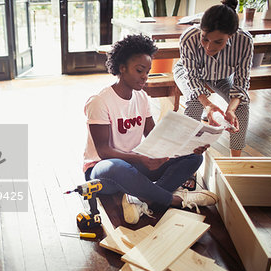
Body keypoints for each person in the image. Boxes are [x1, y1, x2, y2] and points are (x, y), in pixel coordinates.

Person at [83, 34, 218, 225]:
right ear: (122, 68)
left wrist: (187, 147)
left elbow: (154, 136)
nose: (145, 76)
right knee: (117, 166)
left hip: (136, 164)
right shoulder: (99, 101)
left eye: (147, 71)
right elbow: (104, 152)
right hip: (103, 171)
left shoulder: (142, 97)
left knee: (195, 158)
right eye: (140, 70)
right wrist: (140, 158)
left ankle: (140, 199)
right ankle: (174, 200)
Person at [174, 0, 253, 159]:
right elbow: (193, 78)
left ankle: (235, 161)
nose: (209, 47)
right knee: (194, 102)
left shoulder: (244, 41)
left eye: (218, 41)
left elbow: (241, 82)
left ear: (231, 36)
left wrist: (230, 109)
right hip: (189, 72)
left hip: (222, 77)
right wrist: (208, 105)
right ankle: (188, 159)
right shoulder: (188, 38)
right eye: (205, 39)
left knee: (242, 105)